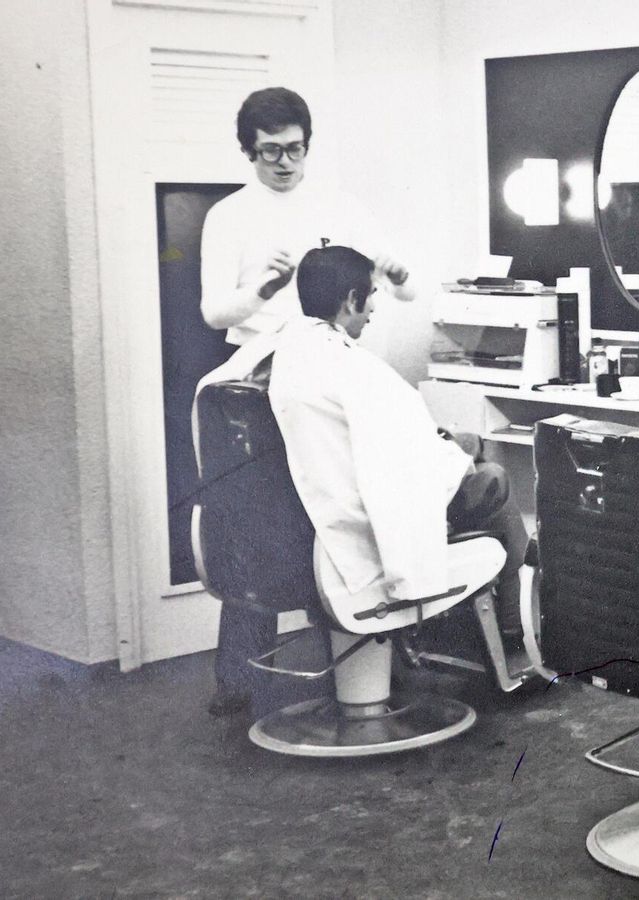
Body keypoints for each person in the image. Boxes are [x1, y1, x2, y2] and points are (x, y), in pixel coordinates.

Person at [199, 87, 417, 715]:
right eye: (270, 152)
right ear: (249, 151)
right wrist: (259, 289)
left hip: (321, 372)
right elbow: (217, 311)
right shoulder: (229, 216)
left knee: (343, 513)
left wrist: (399, 276)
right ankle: (237, 682)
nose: (285, 163)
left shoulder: (340, 206)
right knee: (256, 519)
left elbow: (395, 285)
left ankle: (361, 662)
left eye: (294, 150)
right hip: (259, 381)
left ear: (308, 146)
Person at [266, 246, 534, 675]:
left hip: (327, 498)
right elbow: (405, 453)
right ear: (351, 300)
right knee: (494, 478)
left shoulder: (292, 348)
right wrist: (455, 456)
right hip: (362, 513)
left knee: (466, 445)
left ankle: (518, 577)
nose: (373, 307)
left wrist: (450, 447)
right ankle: (516, 631)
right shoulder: (349, 366)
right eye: (370, 295)